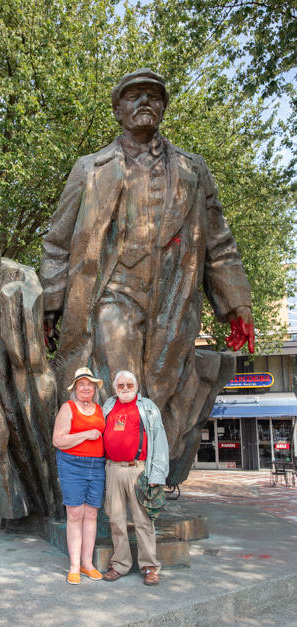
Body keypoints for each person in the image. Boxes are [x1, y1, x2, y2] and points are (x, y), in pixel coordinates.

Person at [39, 69, 254, 480]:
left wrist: (236, 303)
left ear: (163, 108)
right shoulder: (90, 169)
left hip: (174, 297)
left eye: (153, 96)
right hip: (112, 294)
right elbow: (57, 242)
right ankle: (124, 483)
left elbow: (219, 241)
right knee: (124, 384)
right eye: (134, 96)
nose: (144, 103)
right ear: (118, 110)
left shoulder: (194, 169)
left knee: (162, 388)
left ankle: (150, 479)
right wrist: (51, 303)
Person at [102, 370, 169, 585]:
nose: (125, 388)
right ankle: (120, 564)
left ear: (137, 385)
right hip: (112, 469)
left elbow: (159, 441)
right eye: (120, 385)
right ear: (114, 387)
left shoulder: (148, 407)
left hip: (139, 470)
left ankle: (150, 567)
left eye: (129, 385)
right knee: (116, 520)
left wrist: (157, 475)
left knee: (142, 520)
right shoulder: (108, 406)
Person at [52, 367, 106, 584]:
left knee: (92, 514)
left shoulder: (100, 409)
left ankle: (87, 564)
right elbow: (58, 440)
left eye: (89, 384)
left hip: (98, 465)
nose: (86, 387)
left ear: (94, 388)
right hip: (72, 465)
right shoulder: (68, 407)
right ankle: (74, 565)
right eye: (81, 384)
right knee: (75, 514)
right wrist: (85, 434)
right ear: (75, 388)